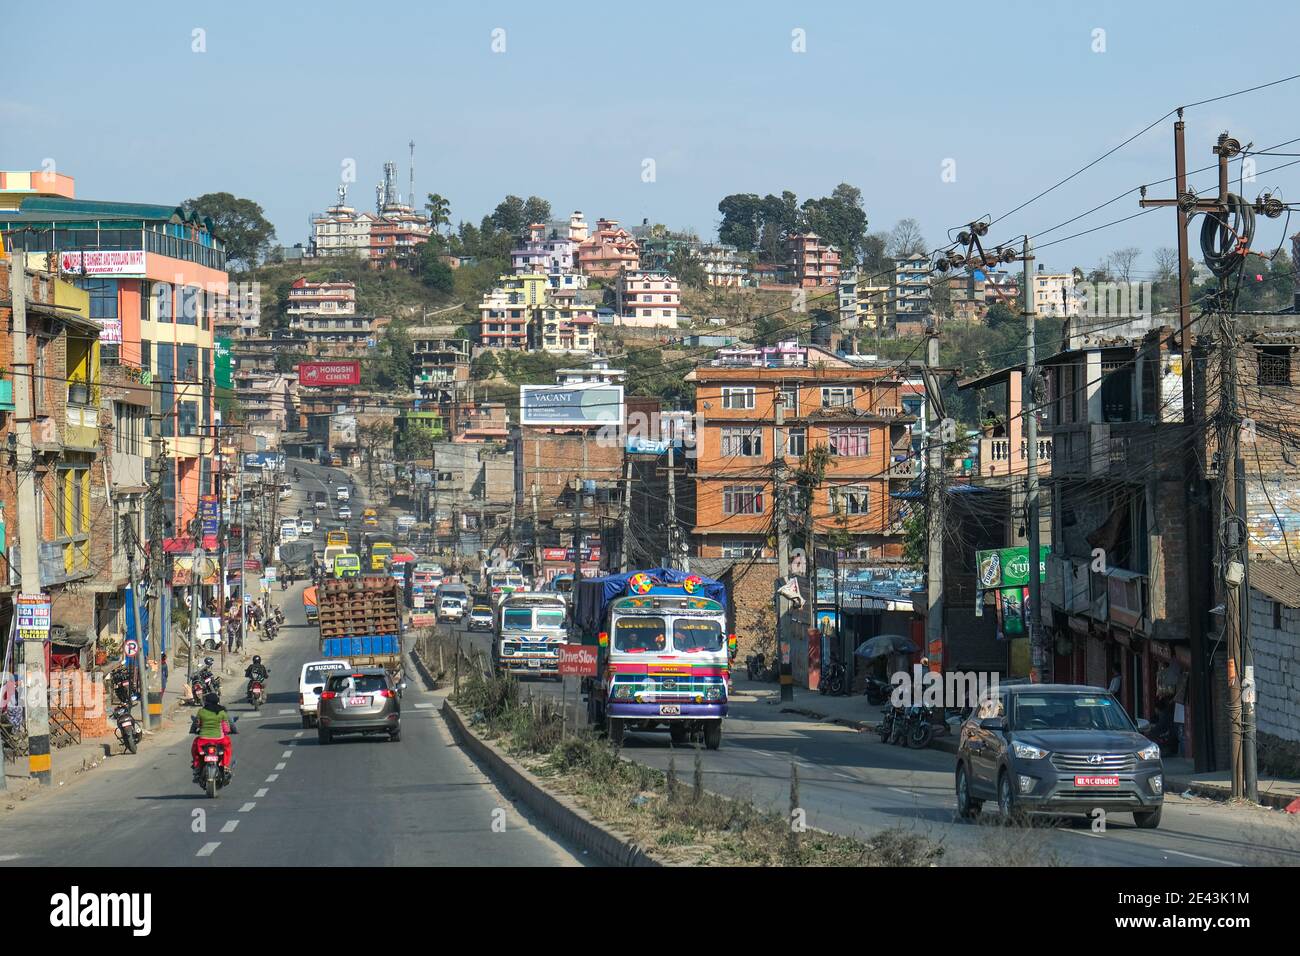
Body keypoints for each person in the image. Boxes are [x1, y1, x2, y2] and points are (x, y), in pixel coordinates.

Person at [190, 692, 233, 773]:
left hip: (203, 740)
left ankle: (197, 765)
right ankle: (225, 765)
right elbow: (226, 728)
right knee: (227, 746)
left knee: (195, 748)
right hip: (219, 739)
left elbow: (198, 724)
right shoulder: (221, 712)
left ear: (207, 702)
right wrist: (227, 732)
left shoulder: (201, 711)